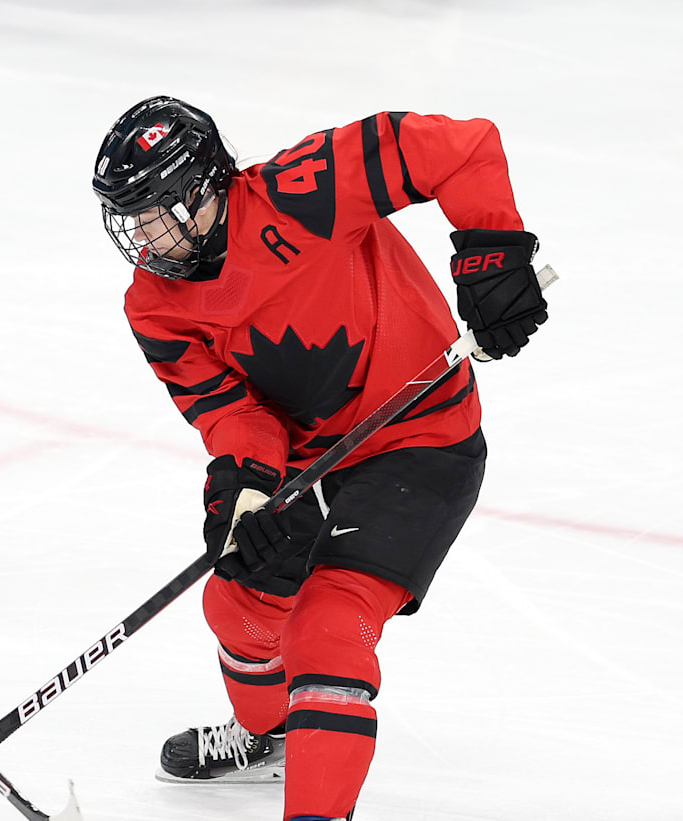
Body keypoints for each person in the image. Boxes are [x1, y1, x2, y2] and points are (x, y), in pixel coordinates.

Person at [92, 97, 548, 819]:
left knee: (327, 627)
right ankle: (270, 737)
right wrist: (244, 490)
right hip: (312, 465)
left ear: (204, 190)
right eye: (130, 218)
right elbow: (233, 413)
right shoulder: (154, 306)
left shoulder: (305, 190)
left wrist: (491, 254)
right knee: (237, 602)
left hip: (421, 439)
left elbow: (460, 147)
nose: (142, 236)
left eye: (155, 212)